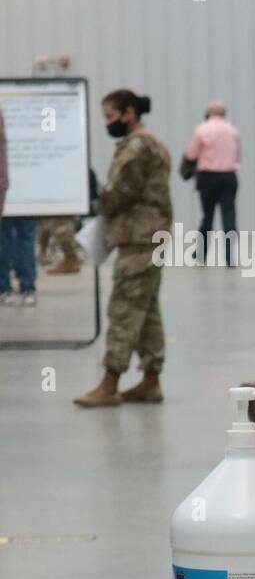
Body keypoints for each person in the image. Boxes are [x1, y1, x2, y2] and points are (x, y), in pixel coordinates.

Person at [74, 89, 172, 407]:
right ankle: (151, 380)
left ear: (128, 113)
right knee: (146, 310)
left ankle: (110, 382)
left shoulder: (136, 147)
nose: (108, 123)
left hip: (138, 238)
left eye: (110, 116)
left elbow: (120, 193)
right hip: (150, 236)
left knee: (124, 308)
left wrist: (93, 198)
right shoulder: (151, 143)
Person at [183, 99, 240, 267]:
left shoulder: (202, 130)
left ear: (208, 113)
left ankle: (200, 255)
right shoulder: (233, 131)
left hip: (208, 178)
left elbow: (191, 155)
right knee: (229, 216)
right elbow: (237, 156)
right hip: (229, 176)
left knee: (207, 216)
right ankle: (230, 257)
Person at [0, 105, 39, 308]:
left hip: (13, 191)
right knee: (23, 240)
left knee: (10, 240)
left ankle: (5, 288)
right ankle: (27, 287)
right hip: (24, 191)